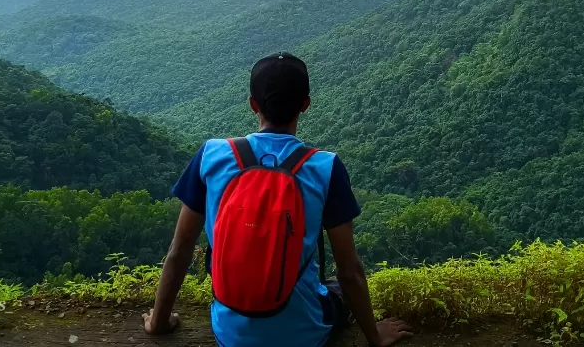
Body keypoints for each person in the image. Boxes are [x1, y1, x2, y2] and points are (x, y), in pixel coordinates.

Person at [142, 52, 413, 347]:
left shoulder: (212, 155)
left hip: (231, 334)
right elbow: (350, 271)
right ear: (306, 105)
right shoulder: (325, 167)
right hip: (304, 336)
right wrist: (375, 337)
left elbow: (179, 251)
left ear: (252, 104)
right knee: (333, 289)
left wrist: (158, 323)